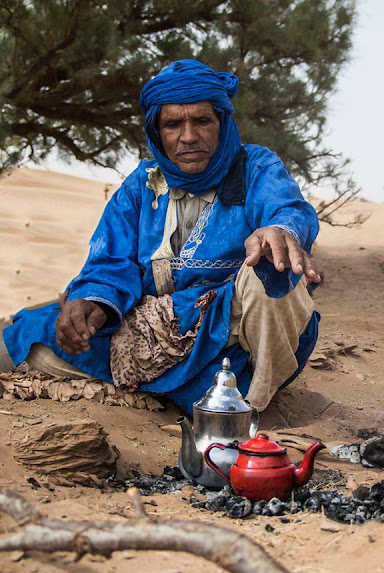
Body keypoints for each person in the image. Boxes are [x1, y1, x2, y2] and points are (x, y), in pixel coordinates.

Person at [1, 59, 322, 427]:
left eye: (202, 121)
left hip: (233, 338)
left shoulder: (256, 167)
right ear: (157, 132)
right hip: (155, 330)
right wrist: (92, 303)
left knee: (272, 273)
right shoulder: (140, 185)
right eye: (173, 124)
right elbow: (110, 262)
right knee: (32, 334)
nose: (188, 137)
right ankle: (175, 390)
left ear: (222, 124)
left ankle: (246, 410)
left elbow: (289, 208)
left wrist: (281, 230)